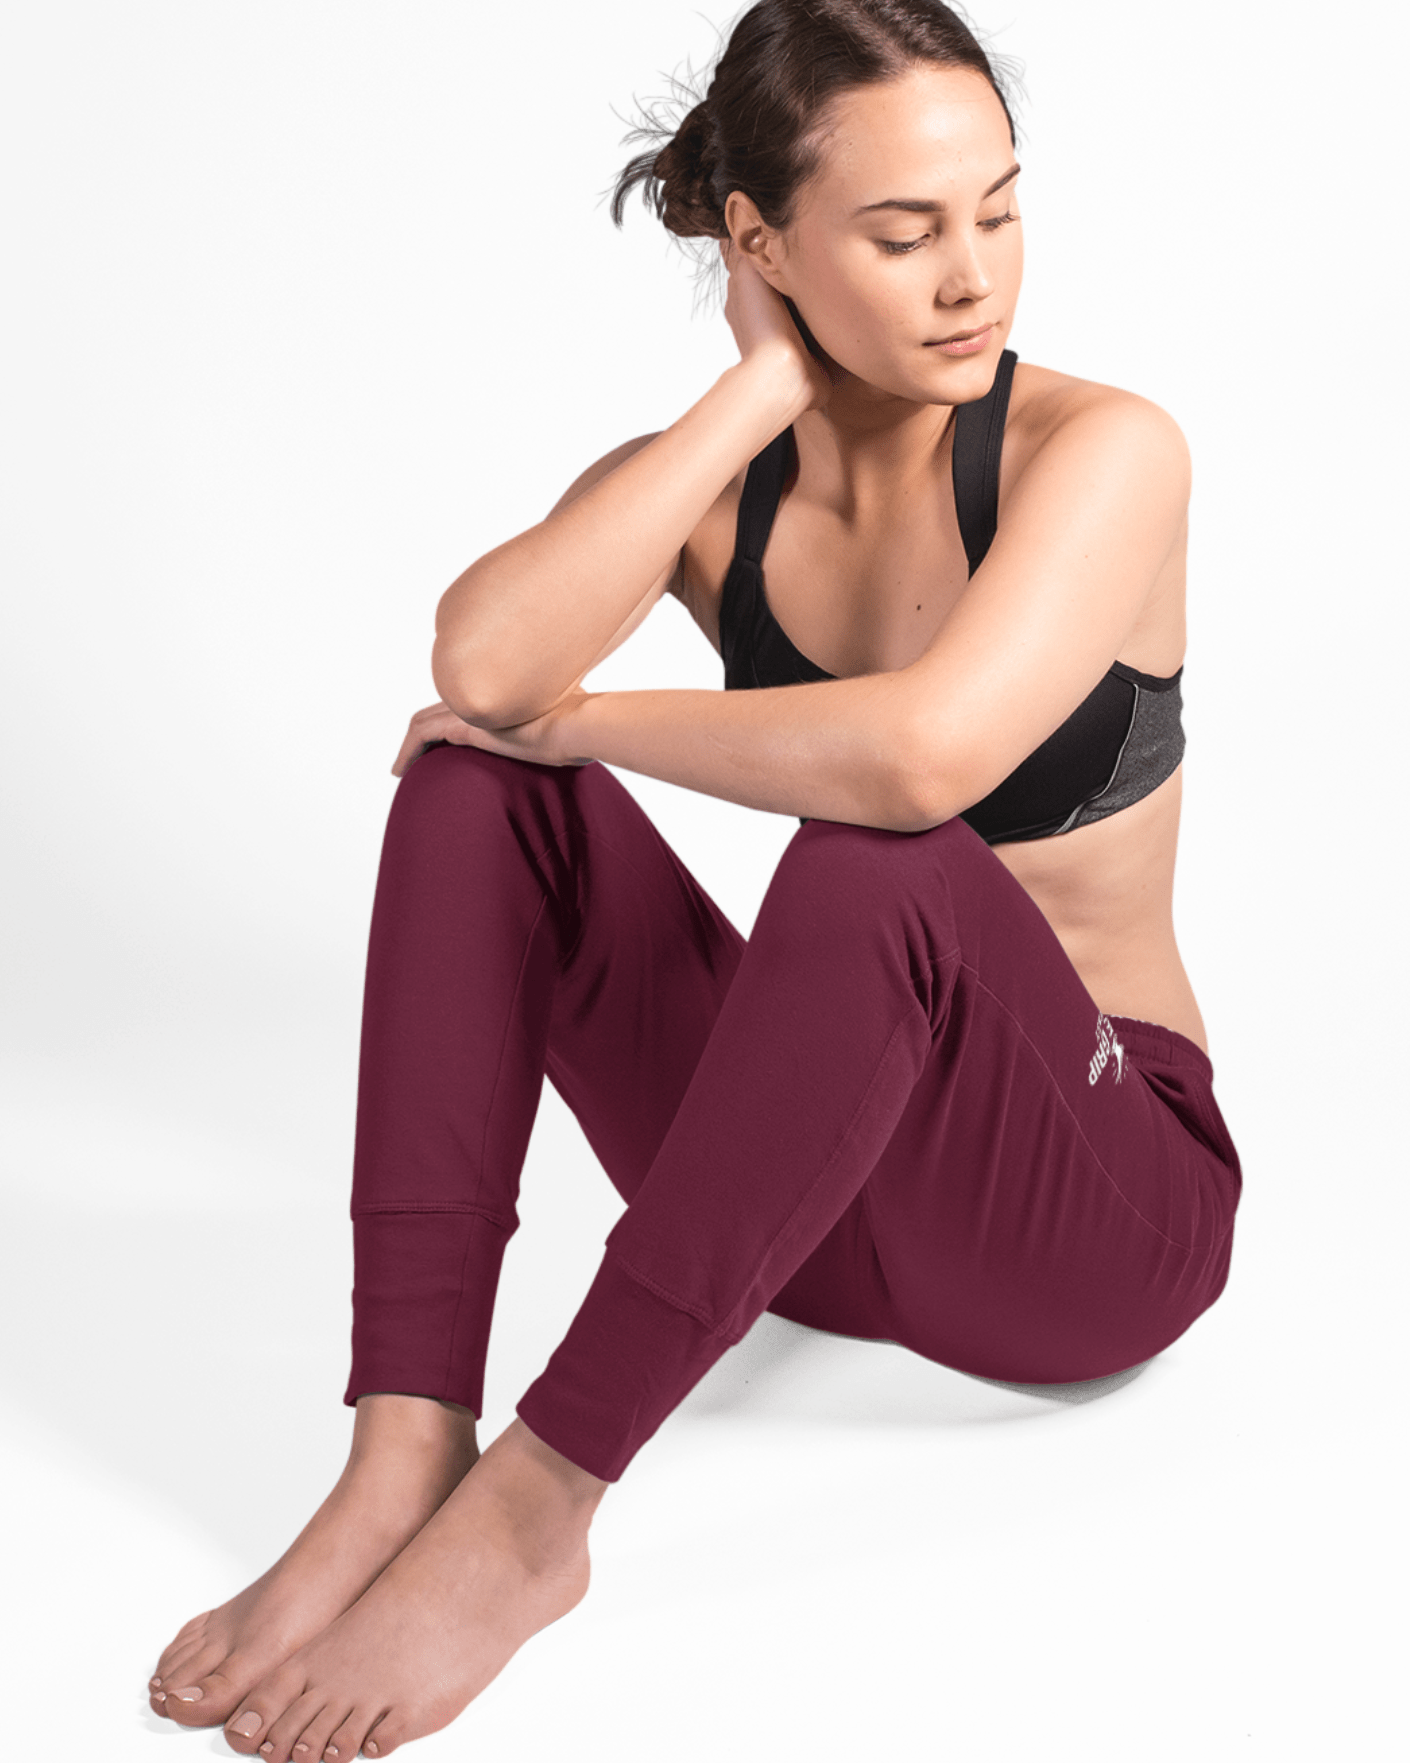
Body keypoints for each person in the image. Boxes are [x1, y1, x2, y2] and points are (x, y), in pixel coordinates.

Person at [146, 2, 1243, 1757]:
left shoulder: (1102, 452)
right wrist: (756, 394)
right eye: (902, 233)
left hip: (1093, 1221)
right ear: (761, 244)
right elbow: (479, 661)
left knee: (876, 859)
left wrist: (585, 724)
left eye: (997, 210)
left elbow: (921, 759)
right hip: (803, 1221)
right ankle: (403, 1443)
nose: (973, 277)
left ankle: (536, 1504)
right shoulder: (720, 486)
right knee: (473, 789)